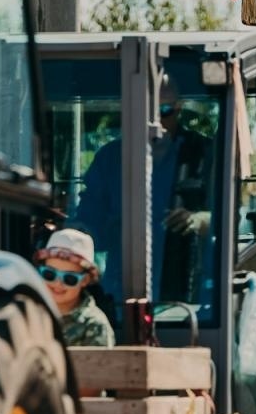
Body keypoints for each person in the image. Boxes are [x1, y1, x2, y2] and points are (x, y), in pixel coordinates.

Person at [72, 74, 214, 308]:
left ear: (179, 110)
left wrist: (199, 220)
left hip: (189, 289)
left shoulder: (204, 153)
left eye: (165, 110)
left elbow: (230, 218)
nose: (155, 121)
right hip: (123, 290)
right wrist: (77, 232)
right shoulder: (109, 158)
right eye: (147, 113)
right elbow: (89, 218)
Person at [35, 228, 115, 348]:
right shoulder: (30, 314)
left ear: (85, 280)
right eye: (49, 274)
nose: (58, 284)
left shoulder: (95, 326)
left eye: (69, 279)